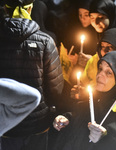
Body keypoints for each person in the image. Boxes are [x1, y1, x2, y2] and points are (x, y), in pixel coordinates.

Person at [52, 51, 116, 150]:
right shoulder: (95, 100)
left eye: (108, 72)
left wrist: (106, 137)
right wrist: (66, 119)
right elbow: (81, 117)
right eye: (100, 69)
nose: (99, 75)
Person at [0, 0, 65, 149]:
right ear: (30, 9)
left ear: (5, 9)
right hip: (38, 124)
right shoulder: (45, 41)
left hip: (8, 124)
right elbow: (56, 88)